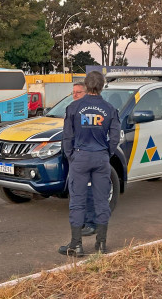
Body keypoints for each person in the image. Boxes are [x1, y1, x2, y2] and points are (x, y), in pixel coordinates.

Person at [59, 71, 120, 256]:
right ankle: (101, 244)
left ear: (86, 85)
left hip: (81, 157)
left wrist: (71, 156)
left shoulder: (74, 107)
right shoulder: (110, 109)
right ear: (102, 86)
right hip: (101, 157)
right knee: (102, 200)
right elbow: (115, 137)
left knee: (77, 201)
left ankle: (76, 245)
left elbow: (67, 136)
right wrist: (106, 152)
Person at [71, 82, 96, 237]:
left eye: (78, 92)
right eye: (73, 92)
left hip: (88, 158)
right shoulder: (74, 111)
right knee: (77, 193)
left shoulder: (90, 113)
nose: (74, 95)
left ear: (86, 94)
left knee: (89, 191)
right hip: (77, 157)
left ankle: (91, 223)